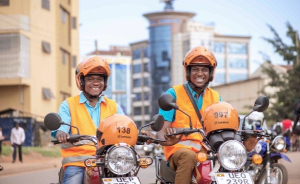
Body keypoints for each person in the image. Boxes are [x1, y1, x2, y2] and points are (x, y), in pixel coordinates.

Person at [145, 46, 260, 184]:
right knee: (188, 156)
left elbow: (228, 128)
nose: (200, 73)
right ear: (188, 71)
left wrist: (244, 141)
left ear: (210, 73)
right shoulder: (174, 94)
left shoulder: (216, 97)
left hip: (209, 152)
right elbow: (161, 133)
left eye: (204, 69)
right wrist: (167, 138)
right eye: (195, 69)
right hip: (180, 152)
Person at [51, 55, 124, 184]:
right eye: (90, 79)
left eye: (100, 79)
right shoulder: (68, 104)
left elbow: (125, 125)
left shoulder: (113, 106)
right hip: (78, 163)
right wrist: (62, 133)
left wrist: (142, 134)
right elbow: (61, 127)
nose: (96, 82)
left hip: (110, 161)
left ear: (105, 82)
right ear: (82, 81)